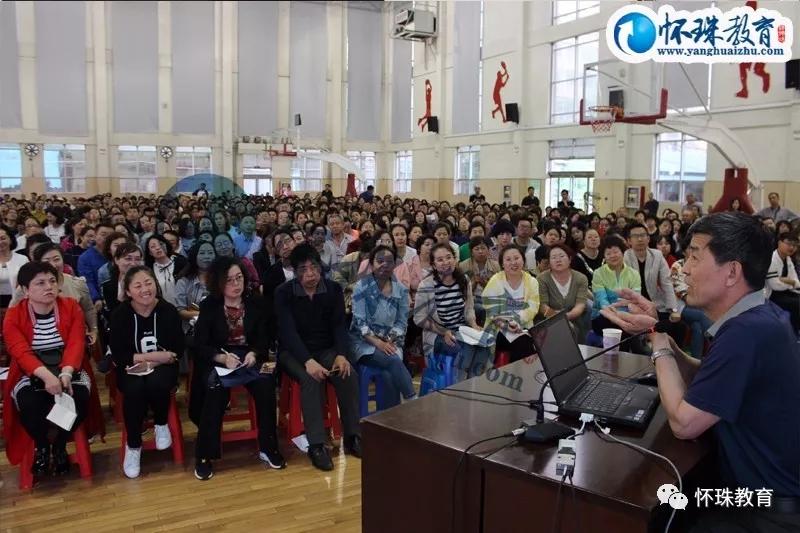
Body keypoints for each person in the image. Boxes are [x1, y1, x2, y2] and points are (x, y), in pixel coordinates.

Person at [601, 213, 800, 531]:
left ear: (732, 271)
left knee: (651, 506)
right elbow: (708, 375)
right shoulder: (763, 316)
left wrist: (659, 339)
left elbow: (684, 423)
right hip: (759, 491)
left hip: (763, 508)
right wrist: (657, 328)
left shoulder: (746, 334)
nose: (684, 269)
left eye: (694, 256)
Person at [192, 257, 284, 480]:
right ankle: (205, 454)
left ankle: (268, 446)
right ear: (219, 283)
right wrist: (222, 358)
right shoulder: (210, 305)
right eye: (229, 280)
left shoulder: (256, 302)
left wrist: (255, 353)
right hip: (220, 357)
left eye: (239, 278)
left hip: (250, 356)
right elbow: (200, 344)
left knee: (266, 384)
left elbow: (264, 337)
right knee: (214, 389)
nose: (236, 284)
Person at [275, 244, 361, 472]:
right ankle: (316, 444)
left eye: (314, 267)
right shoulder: (284, 292)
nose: (310, 274)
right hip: (293, 352)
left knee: (347, 373)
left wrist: (341, 354)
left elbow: (339, 326)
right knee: (310, 379)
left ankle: (353, 435)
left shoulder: (332, 289)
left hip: (325, 349)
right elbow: (288, 333)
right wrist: (307, 361)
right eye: (303, 269)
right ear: (294, 271)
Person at [2, 262, 92, 476]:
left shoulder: (71, 306)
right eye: (40, 283)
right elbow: (20, 352)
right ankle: (41, 445)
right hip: (30, 371)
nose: (49, 287)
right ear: (25, 290)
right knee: (29, 403)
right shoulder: (14, 315)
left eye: (52, 281)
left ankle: (60, 445)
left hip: (68, 367)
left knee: (79, 397)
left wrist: (66, 373)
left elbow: (76, 343)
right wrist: (47, 377)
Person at [109, 266, 183, 478]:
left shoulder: (168, 311)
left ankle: (161, 423)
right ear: (128, 291)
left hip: (163, 368)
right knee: (134, 390)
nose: (145, 289)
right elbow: (119, 355)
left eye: (148, 283)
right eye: (138, 286)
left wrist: (155, 362)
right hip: (130, 367)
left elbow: (177, 349)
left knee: (157, 382)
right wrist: (155, 357)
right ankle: (133, 446)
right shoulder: (120, 315)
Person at [349, 245, 416, 407]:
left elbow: (401, 322)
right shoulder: (361, 287)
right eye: (380, 261)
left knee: (388, 372)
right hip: (363, 343)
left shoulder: (401, 290)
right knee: (393, 361)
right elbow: (360, 322)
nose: (384, 265)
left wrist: (390, 340)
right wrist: (378, 343)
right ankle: (412, 401)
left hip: (391, 341)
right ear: (372, 264)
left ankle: (390, 416)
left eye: (389, 261)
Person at [414, 243, 488, 381]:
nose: (446, 262)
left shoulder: (464, 280)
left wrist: (473, 324)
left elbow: (469, 308)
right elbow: (419, 318)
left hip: (462, 330)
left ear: (454, 259)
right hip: (438, 334)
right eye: (440, 260)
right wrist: (444, 331)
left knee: (483, 347)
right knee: (465, 350)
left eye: (449, 257)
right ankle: (458, 386)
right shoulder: (426, 285)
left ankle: (472, 384)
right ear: (434, 265)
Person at [482, 245, 540, 363]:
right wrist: (506, 324)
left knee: (526, 343)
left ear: (523, 260)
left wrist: (516, 321)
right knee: (523, 345)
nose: (513, 262)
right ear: (502, 264)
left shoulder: (532, 281)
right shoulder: (495, 281)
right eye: (508, 259)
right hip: (499, 327)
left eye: (516, 258)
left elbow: (533, 307)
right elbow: (491, 310)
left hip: (524, 327)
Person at [623, 223, 681, 337]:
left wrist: (673, 309)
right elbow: (627, 289)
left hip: (656, 303)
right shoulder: (626, 257)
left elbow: (667, 283)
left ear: (648, 238)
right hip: (634, 305)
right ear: (629, 241)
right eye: (635, 236)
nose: (640, 239)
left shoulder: (657, 255)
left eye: (643, 235)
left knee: (677, 326)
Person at [590, 235, 642, 351]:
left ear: (622, 252)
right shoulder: (598, 273)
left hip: (628, 315)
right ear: (604, 256)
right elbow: (602, 300)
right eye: (608, 253)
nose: (613, 256)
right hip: (603, 315)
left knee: (627, 326)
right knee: (621, 329)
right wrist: (616, 315)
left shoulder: (633, 274)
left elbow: (636, 299)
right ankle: (634, 350)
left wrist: (623, 314)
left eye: (615, 252)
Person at [537, 244, 591, 342]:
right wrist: (556, 318)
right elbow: (543, 306)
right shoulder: (542, 279)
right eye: (554, 257)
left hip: (574, 319)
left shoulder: (581, 278)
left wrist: (566, 317)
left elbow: (580, 305)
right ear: (549, 262)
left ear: (569, 259)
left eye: (562, 256)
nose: (558, 260)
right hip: (548, 321)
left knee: (572, 329)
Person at [765, 231, 800, 332]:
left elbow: (797, 282)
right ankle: (794, 331)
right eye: (789, 244)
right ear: (779, 243)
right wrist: (791, 283)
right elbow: (774, 285)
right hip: (771, 294)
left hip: (785, 292)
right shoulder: (771, 259)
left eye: (795, 245)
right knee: (797, 304)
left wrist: (789, 282)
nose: (792, 247)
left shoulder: (788, 259)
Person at [144, 234, 187, 307]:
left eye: (161, 244)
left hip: (183, 308)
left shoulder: (181, 263)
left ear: (166, 245)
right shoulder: (148, 270)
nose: (158, 248)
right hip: (161, 309)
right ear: (150, 252)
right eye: (153, 247)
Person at [77, 223, 115, 304]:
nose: (107, 238)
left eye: (111, 235)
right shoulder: (85, 258)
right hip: (99, 299)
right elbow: (88, 281)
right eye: (103, 234)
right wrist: (96, 298)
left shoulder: (117, 254)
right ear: (95, 236)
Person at [1, 224, 29, 310]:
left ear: (10, 239)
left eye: (3, 238)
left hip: (18, 303)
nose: (0, 242)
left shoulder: (22, 259)